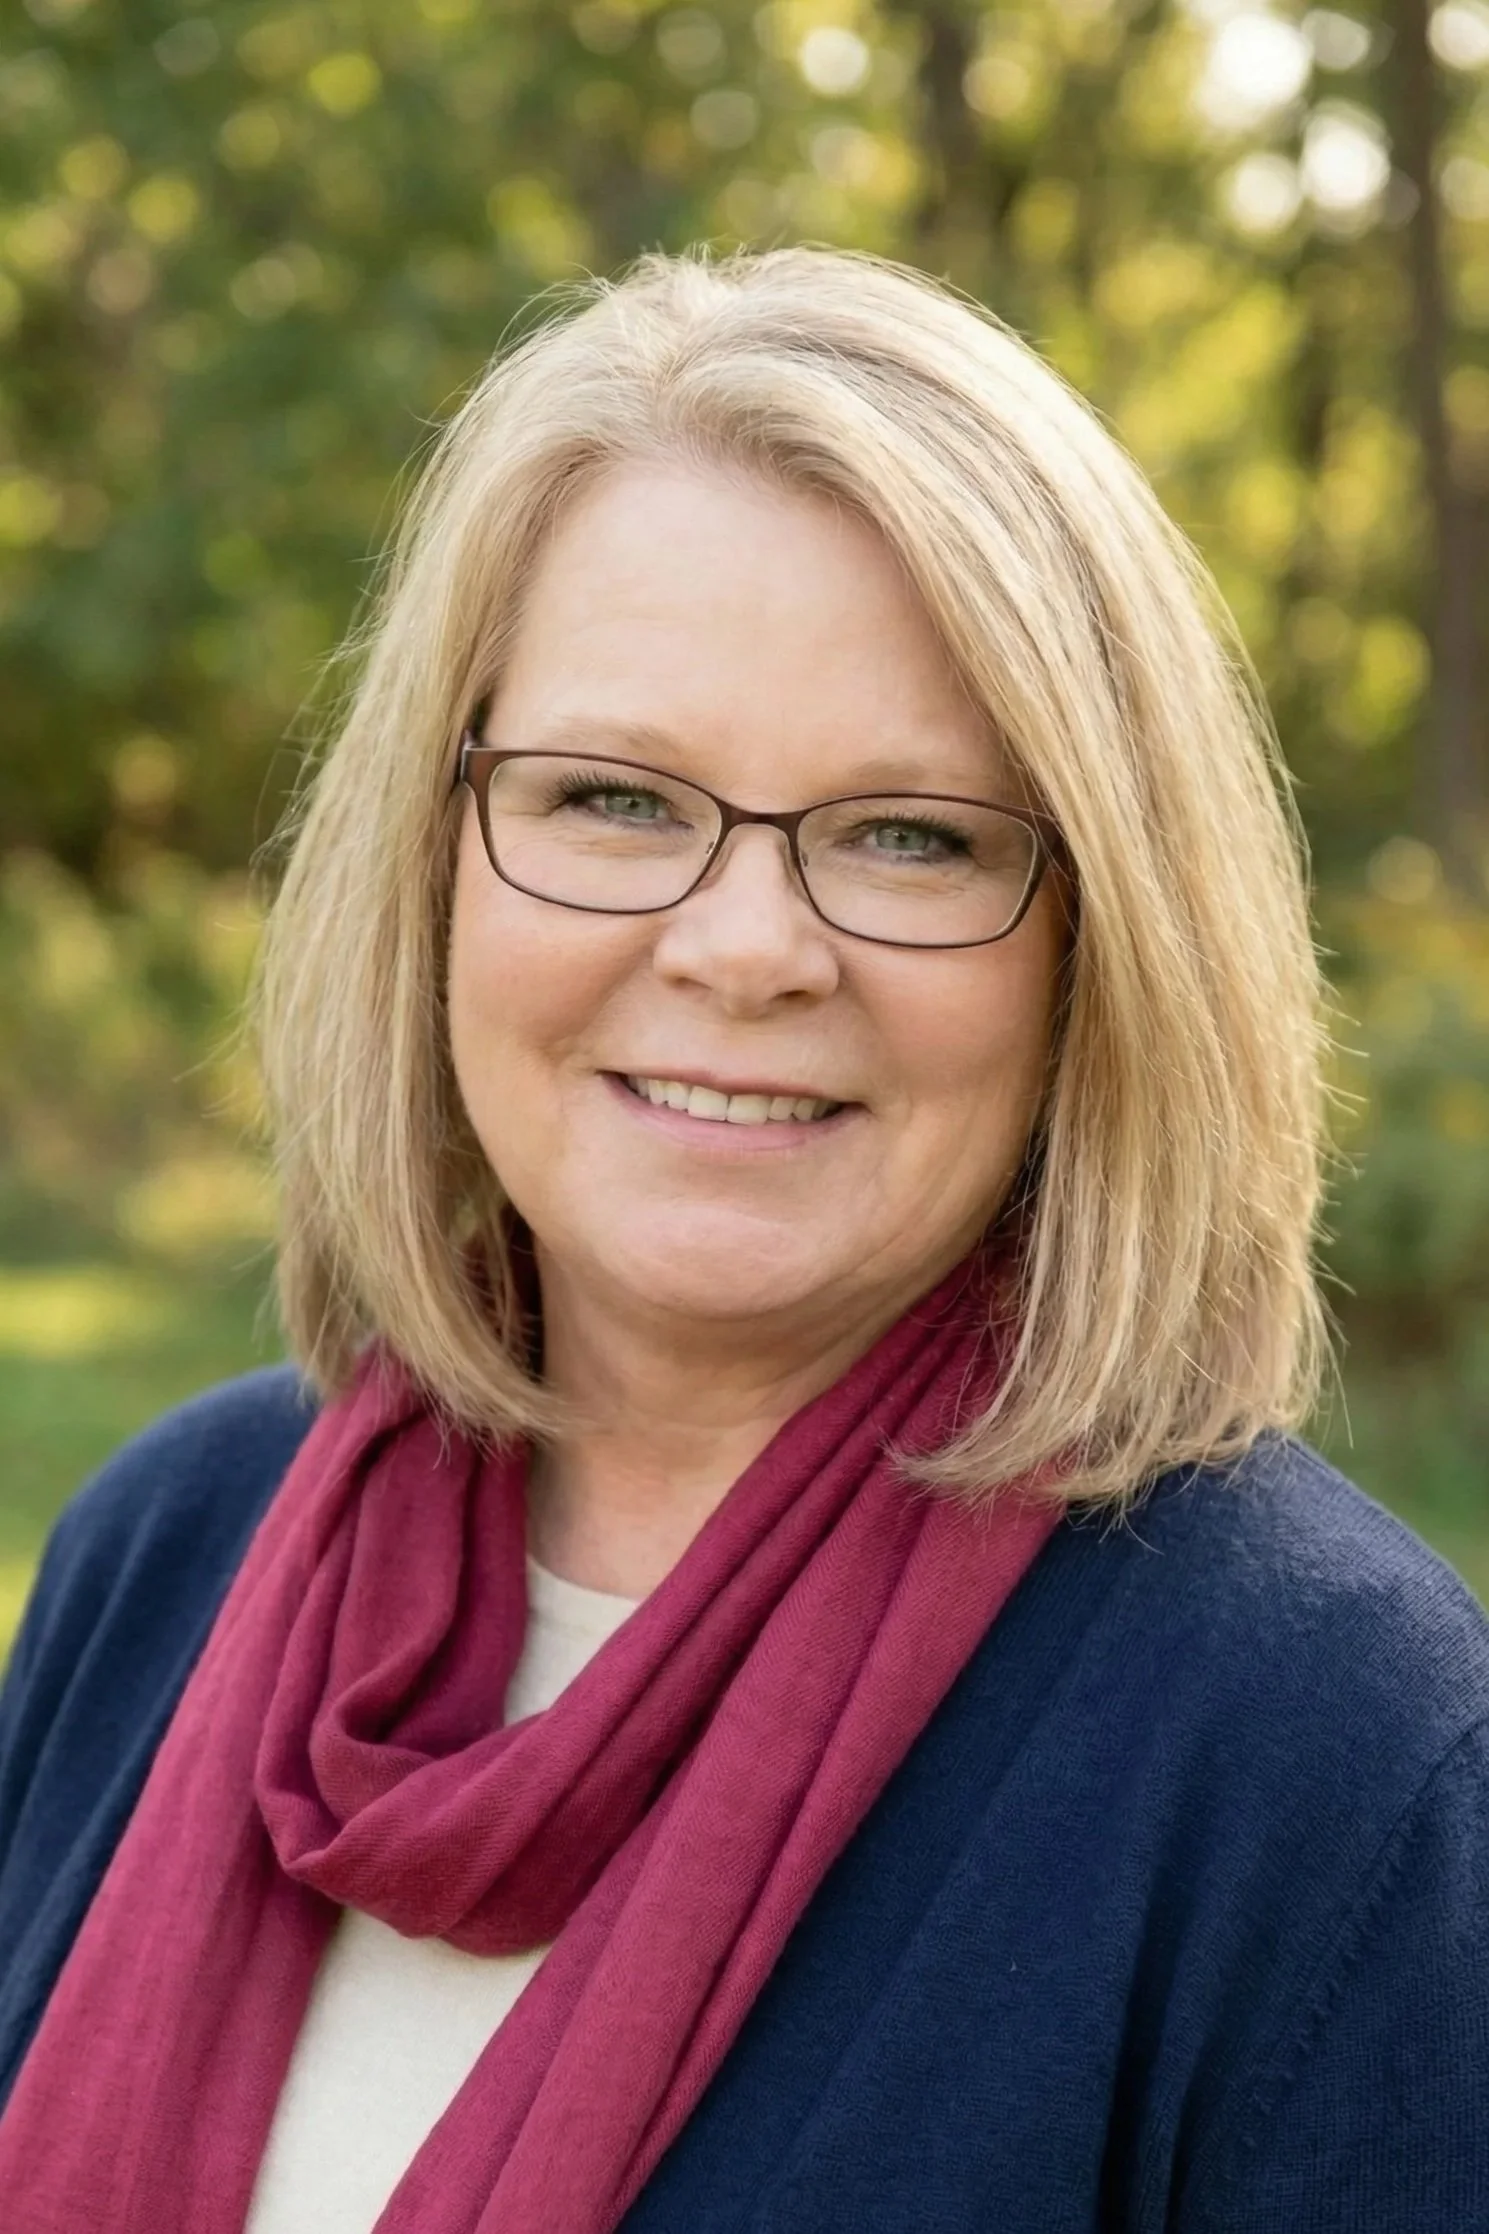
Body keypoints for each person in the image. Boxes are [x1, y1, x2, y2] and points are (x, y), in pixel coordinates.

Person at [0, 245, 1485, 2234]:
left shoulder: (1341, 1765)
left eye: (912, 834)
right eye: (614, 795)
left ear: (1099, 940)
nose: (745, 949)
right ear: (434, 852)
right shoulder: (164, 1551)